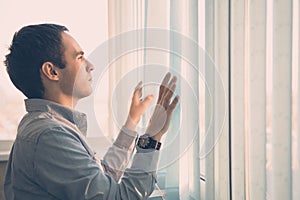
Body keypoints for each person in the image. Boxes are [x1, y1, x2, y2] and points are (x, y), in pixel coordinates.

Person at [3, 23, 179, 200]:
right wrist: (152, 137)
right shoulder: (50, 135)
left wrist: (132, 120)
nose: (91, 66)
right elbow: (119, 197)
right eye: (79, 58)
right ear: (52, 71)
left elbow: (104, 177)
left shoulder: (47, 125)